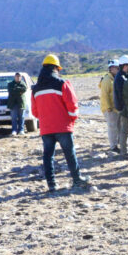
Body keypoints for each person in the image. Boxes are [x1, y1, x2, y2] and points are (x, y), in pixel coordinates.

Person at [31, 54, 90, 192]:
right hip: (63, 127)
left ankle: (51, 184)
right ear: (56, 68)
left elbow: (35, 112)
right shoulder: (62, 84)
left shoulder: (35, 89)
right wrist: (71, 120)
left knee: (48, 156)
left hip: (46, 128)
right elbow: (72, 105)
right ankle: (77, 180)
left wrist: (46, 118)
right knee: (70, 154)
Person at [113, 55, 128, 159]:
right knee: (125, 130)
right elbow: (125, 93)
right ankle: (124, 152)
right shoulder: (121, 78)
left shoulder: (120, 76)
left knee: (124, 130)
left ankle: (124, 150)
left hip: (122, 107)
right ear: (125, 66)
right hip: (124, 108)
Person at [99, 59, 120, 152]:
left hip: (115, 107)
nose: (118, 69)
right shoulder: (107, 80)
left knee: (118, 126)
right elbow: (105, 95)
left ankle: (117, 144)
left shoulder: (114, 78)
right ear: (111, 68)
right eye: (117, 68)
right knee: (112, 127)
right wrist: (108, 107)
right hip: (110, 108)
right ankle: (113, 146)